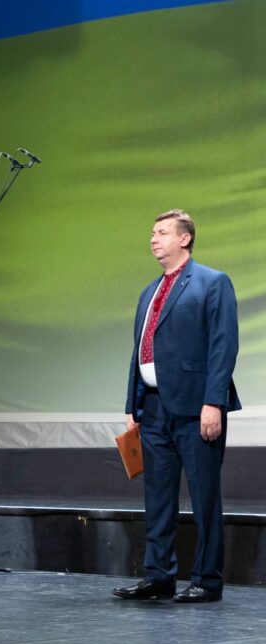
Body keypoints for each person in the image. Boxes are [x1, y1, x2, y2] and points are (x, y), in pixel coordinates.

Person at [114, 209, 239, 603]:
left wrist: (213, 401)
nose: (154, 239)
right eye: (152, 232)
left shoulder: (212, 282)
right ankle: (158, 576)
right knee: (158, 498)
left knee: (204, 498)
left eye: (163, 232)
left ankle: (207, 580)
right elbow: (140, 350)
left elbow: (223, 345)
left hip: (196, 408)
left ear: (185, 238)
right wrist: (133, 404)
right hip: (153, 409)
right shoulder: (148, 291)